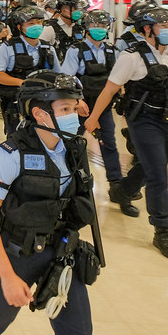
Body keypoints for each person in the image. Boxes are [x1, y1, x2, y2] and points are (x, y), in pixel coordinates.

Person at [0, 71, 98, 335]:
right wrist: (7, 276)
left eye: (75, 108)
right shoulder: (9, 155)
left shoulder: (73, 149)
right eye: (65, 109)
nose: (73, 115)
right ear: (39, 112)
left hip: (62, 251)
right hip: (16, 252)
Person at [84, 7, 168, 261]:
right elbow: (110, 90)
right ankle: (162, 229)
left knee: (153, 164)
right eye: (162, 25)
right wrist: (93, 118)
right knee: (158, 175)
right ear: (147, 29)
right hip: (143, 121)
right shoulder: (131, 56)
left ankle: (123, 190)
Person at [58, 11, 135, 216]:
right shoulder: (77, 50)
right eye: (95, 25)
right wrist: (77, 101)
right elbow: (67, 78)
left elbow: (118, 80)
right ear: (86, 27)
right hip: (80, 106)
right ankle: (65, 185)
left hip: (103, 106)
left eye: (103, 25)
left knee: (109, 143)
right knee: (70, 144)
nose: (99, 29)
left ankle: (117, 187)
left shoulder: (113, 50)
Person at [0, 5, 56, 138]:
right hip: (14, 99)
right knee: (15, 135)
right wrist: (23, 83)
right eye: (30, 23)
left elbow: (57, 74)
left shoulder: (47, 48)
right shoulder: (8, 47)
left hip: (41, 100)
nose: (36, 26)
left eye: (39, 22)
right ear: (20, 27)